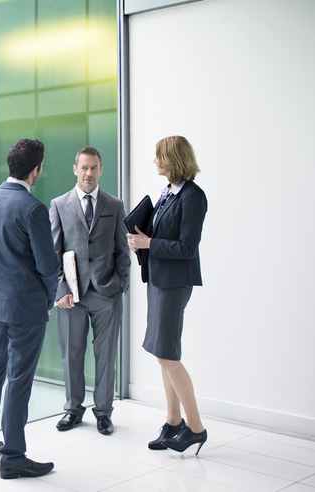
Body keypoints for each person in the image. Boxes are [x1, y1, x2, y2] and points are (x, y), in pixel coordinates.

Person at [0, 139, 58, 479]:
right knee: (18, 381)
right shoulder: (33, 209)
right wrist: (48, 300)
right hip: (26, 307)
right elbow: (48, 267)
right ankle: (13, 457)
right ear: (35, 169)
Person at [127, 135, 209, 454]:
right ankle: (173, 422)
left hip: (175, 282)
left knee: (168, 354)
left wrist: (150, 244)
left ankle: (196, 428)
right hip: (159, 280)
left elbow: (188, 248)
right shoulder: (168, 192)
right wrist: (143, 241)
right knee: (162, 354)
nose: (155, 161)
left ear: (174, 159)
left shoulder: (193, 197)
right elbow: (161, 236)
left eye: (160, 156)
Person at [49, 146, 130, 435]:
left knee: (106, 355)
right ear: (75, 169)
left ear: (101, 170)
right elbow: (53, 253)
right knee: (71, 353)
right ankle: (73, 409)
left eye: (94, 168)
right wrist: (60, 291)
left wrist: (122, 284)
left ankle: (104, 412)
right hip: (72, 295)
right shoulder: (59, 205)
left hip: (107, 293)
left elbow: (123, 249)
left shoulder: (115, 205)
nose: (89, 173)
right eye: (84, 168)